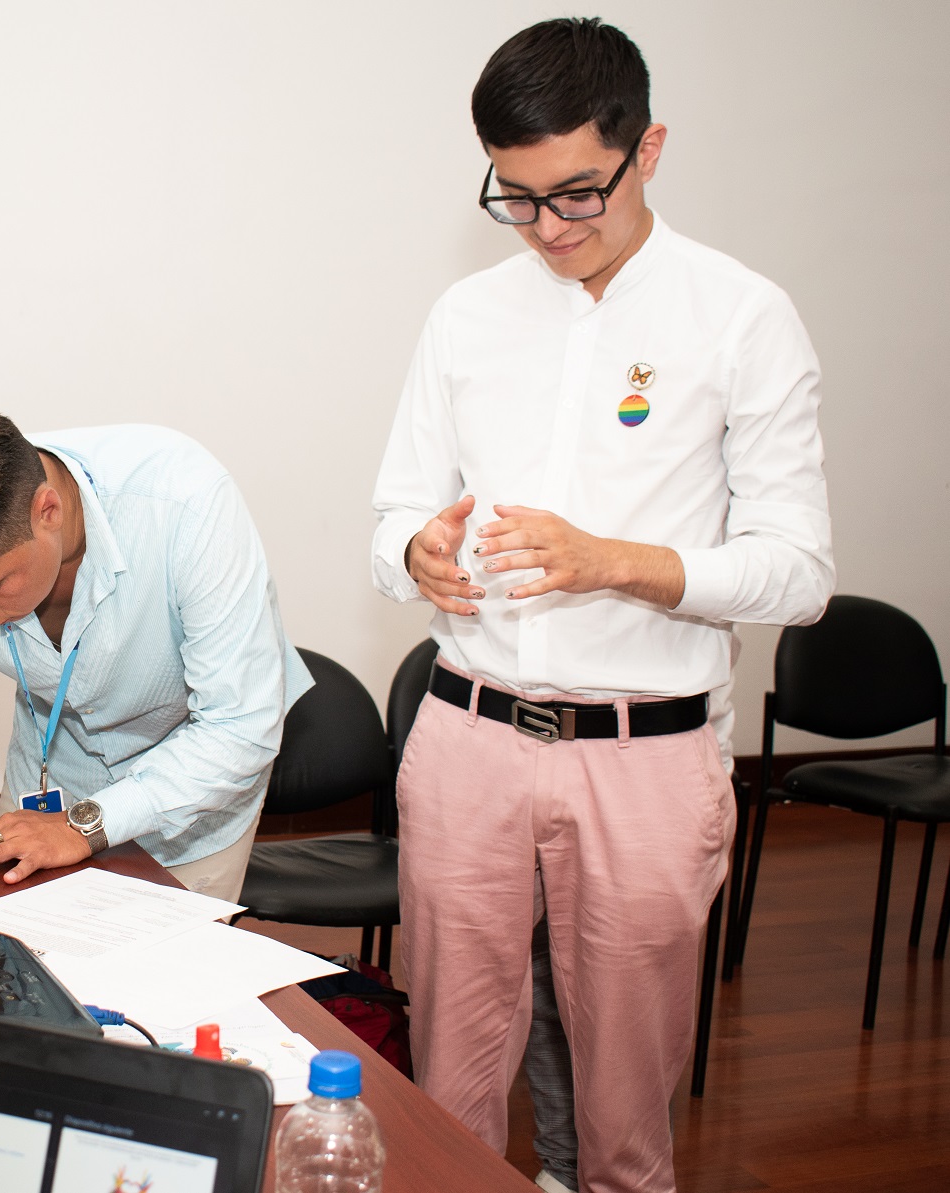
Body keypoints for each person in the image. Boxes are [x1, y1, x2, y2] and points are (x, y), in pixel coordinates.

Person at [370, 18, 833, 1193]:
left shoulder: (740, 315)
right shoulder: (466, 315)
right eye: (516, 197)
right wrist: (413, 550)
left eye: (577, 191)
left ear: (648, 149)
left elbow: (797, 572)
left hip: (645, 751)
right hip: (468, 734)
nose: (549, 227)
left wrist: (612, 561)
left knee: (625, 1115)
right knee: (447, 1086)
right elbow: (393, 513)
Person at [0, 411, 313, 901]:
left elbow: (237, 727)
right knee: (18, 942)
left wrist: (82, 826)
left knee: (165, 949)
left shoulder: (185, 501)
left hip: (193, 796)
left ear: (48, 511)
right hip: (48, 782)